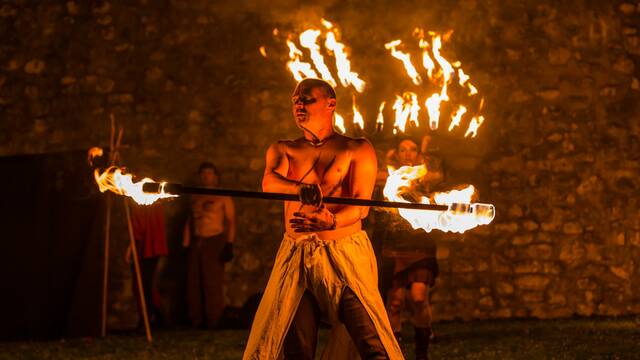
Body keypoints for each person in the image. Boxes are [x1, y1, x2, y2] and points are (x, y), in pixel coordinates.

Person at [243, 78, 403, 360]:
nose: (299, 105)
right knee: (297, 349)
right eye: (295, 100)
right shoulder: (284, 149)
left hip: (345, 254)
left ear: (331, 104)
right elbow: (269, 182)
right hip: (297, 256)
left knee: (373, 343)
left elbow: (361, 207)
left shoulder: (356, 149)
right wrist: (298, 188)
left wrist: (331, 222)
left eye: (307, 99)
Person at [376, 137, 443, 360]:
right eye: (402, 149)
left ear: (418, 153)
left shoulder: (425, 175)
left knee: (417, 296)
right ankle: (396, 354)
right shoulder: (388, 176)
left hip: (420, 243)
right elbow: (374, 179)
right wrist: (386, 163)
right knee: (394, 301)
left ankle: (422, 353)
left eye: (412, 149)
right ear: (395, 152)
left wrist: (425, 154)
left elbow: (435, 176)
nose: (407, 153)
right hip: (394, 243)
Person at [183, 162, 236, 328]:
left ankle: (214, 320)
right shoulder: (195, 197)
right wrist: (185, 244)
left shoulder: (223, 197)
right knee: (193, 281)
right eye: (203, 173)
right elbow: (189, 221)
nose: (206, 176)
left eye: (209, 173)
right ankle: (195, 320)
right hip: (197, 240)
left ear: (216, 176)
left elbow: (231, 221)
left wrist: (229, 244)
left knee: (212, 281)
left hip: (214, 239)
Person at [126, 200, 168, 328]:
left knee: (142, 285)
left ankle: (149, 318)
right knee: (146, 284)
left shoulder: (140, 198)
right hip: (153, 246)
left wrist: (130, 248)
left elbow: (139, 226)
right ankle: (152, 317)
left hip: (147, 246)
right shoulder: (154, 198)